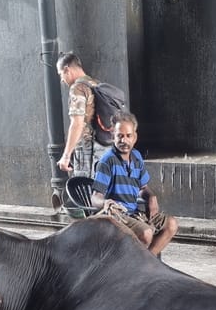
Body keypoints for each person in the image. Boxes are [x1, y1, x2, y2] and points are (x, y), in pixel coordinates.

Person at [91, 111, 178, 256]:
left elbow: (143, 188)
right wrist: (106, 203)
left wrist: (151, 197)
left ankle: (146, 264)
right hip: (116, 216)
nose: (124, 140)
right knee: (146, 233)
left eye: (128, 136)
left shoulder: (137, 157)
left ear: (135, 137)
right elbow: (95, 197)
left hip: (134, 213)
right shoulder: (107, 161)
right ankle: (140, 265)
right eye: (120, 136)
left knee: (171, 224)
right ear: (113, 136)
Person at [56, 51, 107, 178]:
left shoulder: (77, 88)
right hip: (105, 147)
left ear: (67, 69)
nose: (62, 79)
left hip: (88, 150)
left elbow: (77, 124)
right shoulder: (96, 84)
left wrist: (66, 156)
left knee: (86, 188)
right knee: (102, 187)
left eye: (61, 74)